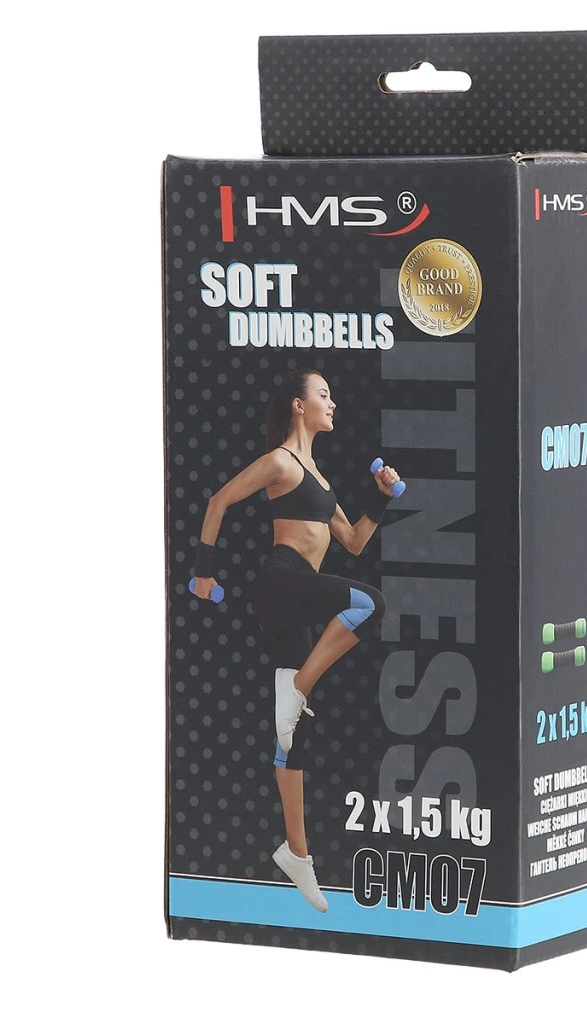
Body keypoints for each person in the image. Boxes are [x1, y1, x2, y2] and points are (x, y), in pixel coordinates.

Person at [191, 368, 400, 912]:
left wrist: (380, 499)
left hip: (300, 596)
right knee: (370, 604)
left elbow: (353, 541)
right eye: (323, 394)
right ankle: (298, 688)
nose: (332, 402)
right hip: (281, 582)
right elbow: (218, 501)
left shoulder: (320, 479)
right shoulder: (281, 462)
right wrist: (204, 572)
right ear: (298, 405)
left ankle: (297, 853)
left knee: (292, 739)